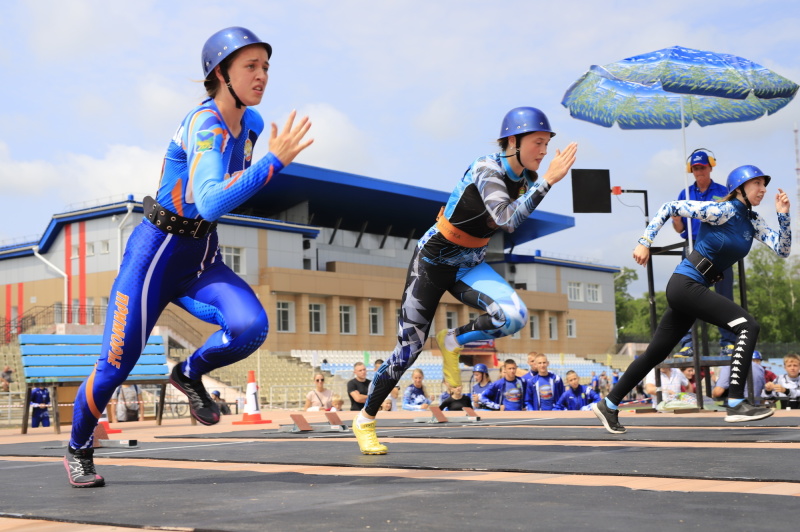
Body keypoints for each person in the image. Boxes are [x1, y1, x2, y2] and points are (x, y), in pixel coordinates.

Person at [63, 26, 313, 488]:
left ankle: (190, 372)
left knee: (251, 326)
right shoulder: (204, 125)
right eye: (251, 67)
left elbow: (221, 201)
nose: (262, 77)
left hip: (201, 257)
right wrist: (272, 163)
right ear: (221, 73)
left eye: (266, 68)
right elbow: (212, 199)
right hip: (153, 258)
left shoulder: (253, 125)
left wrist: (264, 161)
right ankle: (79, 448)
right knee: (113, 369)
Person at [351, 107, 577, 454]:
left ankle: (453, 340)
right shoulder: (486, 167)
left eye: (547, 144)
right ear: (513, 141)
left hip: (469, 263)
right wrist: (549, 180)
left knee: (514, 316)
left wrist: (542, 180)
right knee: (408, 349)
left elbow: (516, 210)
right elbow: (506, 219)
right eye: (538, 143)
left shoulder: (528, 179)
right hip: (433, 260)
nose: (544, 152)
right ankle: (365, 420)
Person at [593, 165, 790, 434]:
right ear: (739, 189)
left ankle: (608, 403)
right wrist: (644, 242)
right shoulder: (722, 210)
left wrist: (783, 217)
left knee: (656, 353)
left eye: (764, 184)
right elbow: (669, 207)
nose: (763, 189)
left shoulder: (752, 221)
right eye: (756, 183)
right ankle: (735, 402)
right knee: (748, 326)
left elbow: (782, 249)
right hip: (685, 284)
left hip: (695, 287)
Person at [672, 149, 737, 358]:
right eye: (695, 168)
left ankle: (728, 342)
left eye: (702, 167)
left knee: (724, 296)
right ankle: (687, 344)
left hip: (719, 248)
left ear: (710, 167)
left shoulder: (722, 190)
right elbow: (680, 228)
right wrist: (675, 219)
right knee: (687, 297)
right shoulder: (685, 193)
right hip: (693, 248)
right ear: (690, 170)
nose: (699, 171)